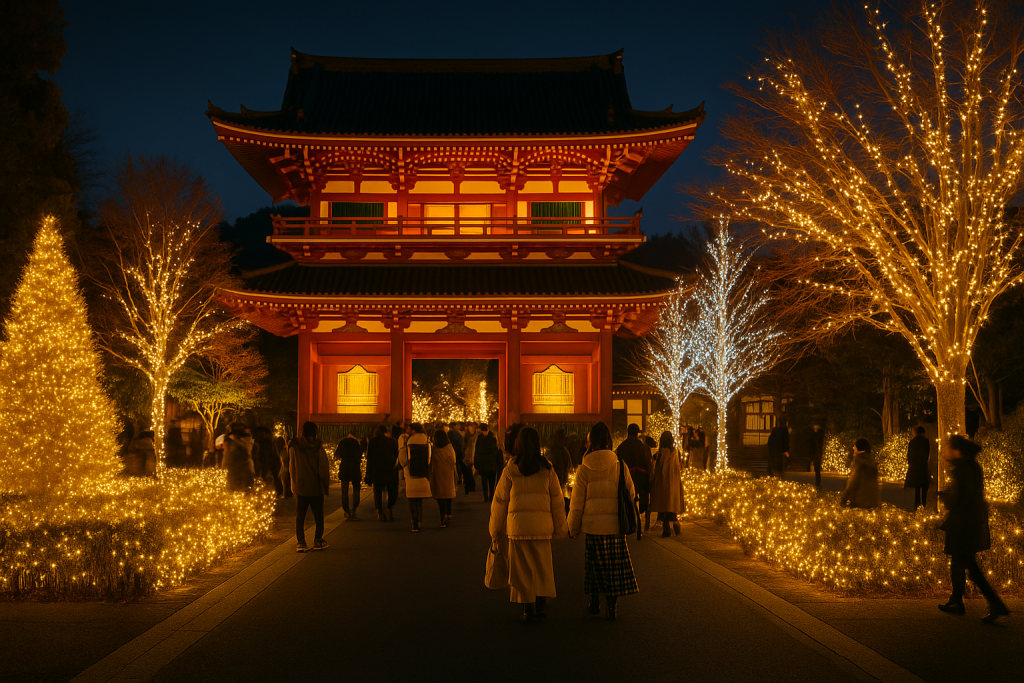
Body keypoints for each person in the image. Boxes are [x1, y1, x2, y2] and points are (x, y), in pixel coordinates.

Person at [491, 427, 568, 622]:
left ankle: (527, 607)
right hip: (542, 527)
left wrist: (495, 528)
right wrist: (561, 528)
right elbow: (557, 501)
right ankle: (542, 602)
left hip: (518, 527)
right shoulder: (547, 468)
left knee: (522, 569)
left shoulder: (510, 469)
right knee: (542, 566)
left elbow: (500, 501)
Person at [567, 422, 639, 621]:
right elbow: (630, 493)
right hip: (615, 525)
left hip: (593, 527)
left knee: (595, 567)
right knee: (614, 568)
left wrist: (572, 528)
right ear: (608, 440)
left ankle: (594, 601)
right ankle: (612, 605)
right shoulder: (619, 464)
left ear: (591, 441)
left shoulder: (584, 468)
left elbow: (577, 503)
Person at [937, 435, 1009, 623]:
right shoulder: (972, 467)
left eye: (948, 448)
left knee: (969, 566)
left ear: (958, 452)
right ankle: (957, 601)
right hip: (970, 522)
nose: (945, 452)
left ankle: (994, 604)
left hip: (963, 524)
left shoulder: (961, 470)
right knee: (961, 563)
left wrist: (944, 496)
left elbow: (958, 498)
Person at [290, 421, 330, 552]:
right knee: (318, 515)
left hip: (300, 487)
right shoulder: (318, 447)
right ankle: (318, 540)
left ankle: (301, 542)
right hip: (316, 488)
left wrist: (293, 484)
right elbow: (323, 469)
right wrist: (325, 485)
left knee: (300, 516)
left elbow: (291, 467)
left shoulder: (294, 446)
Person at [615, 423, 653, 535]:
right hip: (643, 479)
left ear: (628, 432)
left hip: (628, 478)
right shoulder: (645, 448)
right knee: (644, 495)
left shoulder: (621, 447)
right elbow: (649, 465)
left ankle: (630, 519)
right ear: (637, 433)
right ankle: (644, 513)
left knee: (628, 498)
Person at [397, 423, 432, 532]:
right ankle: (420, 521)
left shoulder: (408, 441)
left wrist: (404, 467)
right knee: (419, 500)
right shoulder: (427, 440)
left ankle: (414, 523)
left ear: (413, 430)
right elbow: (430, 457)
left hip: (410, 473)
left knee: (412, 500)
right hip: (422, 472)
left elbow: (403, 458)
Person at [649, 431, 684, 537]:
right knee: (672, 506)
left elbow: (656, 468)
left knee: (664, 505)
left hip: (663, 484)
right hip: (674, 484)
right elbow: (680, 467)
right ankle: (676, 525)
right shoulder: (676, 452)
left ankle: (666, 528)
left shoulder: (659, 454)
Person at [365, 425, 399, 521]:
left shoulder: (372, 442)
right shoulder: (391, 442)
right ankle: (390, 508)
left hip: (377, 469)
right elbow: (396, 454)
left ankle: (379, 511)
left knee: (377, 491)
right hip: (389, 468)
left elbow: (370, 459)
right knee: (391, 490)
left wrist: (368, 473)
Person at [840, 438, 880, 509]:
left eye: (854, 447)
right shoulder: (871, 461)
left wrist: (844, 497)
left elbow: (853, 481)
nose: (853, 449)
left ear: (858, 449)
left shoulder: (858, 462)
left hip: (860, 501)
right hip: (873, 501)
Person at [430, 429, 458, 528]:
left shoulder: (434, 449)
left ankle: (442, 516)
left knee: (440, 497)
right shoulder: (449, 447)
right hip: (448, 473)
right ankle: (449, 513)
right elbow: (454, 460)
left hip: (438, 473)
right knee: (448, 495)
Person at [336, 432, 364, 520]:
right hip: (355, 468)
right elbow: (360, 455)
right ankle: (354, 509)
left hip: (345, 468)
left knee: (344, 492)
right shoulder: (356, 443)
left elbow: (337, 455)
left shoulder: (342, 443)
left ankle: (346, 511)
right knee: (356, 490)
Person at [223, 422, 256, 492]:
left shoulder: (236, 444)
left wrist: (225, 464)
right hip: (245, 469)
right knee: (245, 489)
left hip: (238, 470)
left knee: (237, 488)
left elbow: (230, 456)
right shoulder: (246, 442)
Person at [546, 429, 573, 514]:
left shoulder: (559, 450)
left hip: (558, 483)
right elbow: (565, 468)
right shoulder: (560, 451)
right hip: (559, 484)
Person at [904, 426, 931, 509]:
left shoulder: (912, 442)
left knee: (917, 489)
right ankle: (923, 506)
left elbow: (910, 455)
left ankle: (916, 506)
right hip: (923, 467)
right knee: (924, 489)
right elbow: (927, 454)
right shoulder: (926, 441)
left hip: (915, 468)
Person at [474, 422, 501, 503]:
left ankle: (491, 496)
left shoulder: (491, 438)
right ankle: (486, 496)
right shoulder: (491, 438)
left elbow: (478, 451)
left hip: (489, 463)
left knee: (491, 482)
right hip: (486, 463)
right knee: (485, 481)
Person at [809, 424, 826, 488]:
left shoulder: (818, 434)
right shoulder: (815, 434)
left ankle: (818, 481)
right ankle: (818, 480)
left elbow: (815, 443)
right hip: (816, 452)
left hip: (817, 452)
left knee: (817, 467)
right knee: (816, 467)